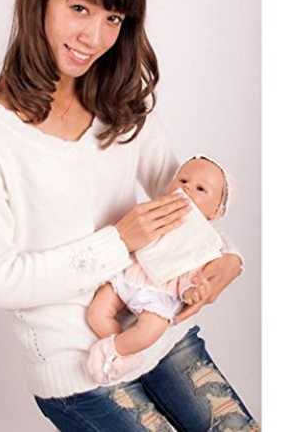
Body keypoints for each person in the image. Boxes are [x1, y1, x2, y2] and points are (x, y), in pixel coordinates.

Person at [0, 0, 259, 430]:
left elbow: (186, 206)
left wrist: (228, 261)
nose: (94, 37)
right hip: (76, 367)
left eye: (113, 18)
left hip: (160, 333)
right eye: (80, 8)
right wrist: (119, 242)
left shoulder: (123, 106)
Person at [86, 156, 238, 385]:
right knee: (96, 313)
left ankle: (112, 349)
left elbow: (195, 276)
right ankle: (127, 353)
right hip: (129, 276)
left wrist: (192, 292)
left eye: (200, 189)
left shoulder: (205, 244)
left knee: (149, 332)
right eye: (183, 180)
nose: (187, 188)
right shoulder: (153, 212)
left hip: (161, 293)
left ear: (216, 211)